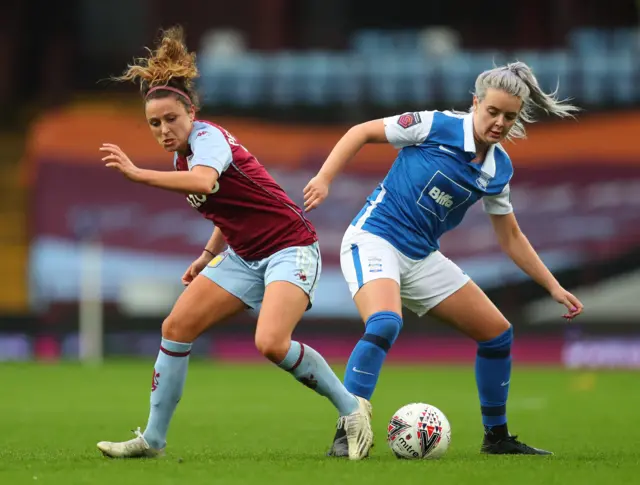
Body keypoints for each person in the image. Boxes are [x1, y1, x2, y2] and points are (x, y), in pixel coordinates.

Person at [95, 26, 373, 461]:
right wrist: (207, 255)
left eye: (172, 119)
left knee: (272, 344)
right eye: (155, 123)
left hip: (290, 246)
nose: (165, 129)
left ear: (191, 113)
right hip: (245, 256)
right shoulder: (182, 155)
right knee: (176, 328)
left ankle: (352, 411)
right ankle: (153, 440)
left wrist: (137, 174)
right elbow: (227, 207)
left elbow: (206, 182)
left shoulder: (207, 139)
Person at [303, 61, 584, 457]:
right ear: (475, 102)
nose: (500, 122)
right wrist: (324, 179)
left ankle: (496, 438)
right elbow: (360, 132)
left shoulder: (498, 169)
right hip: (374, 238)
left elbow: (511, 236)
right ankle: (348, 430)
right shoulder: (434, 125)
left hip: (421, 257)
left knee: (497, 333)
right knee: (385, 322)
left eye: (509, 116)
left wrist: (553, 286)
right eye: (492, 111)